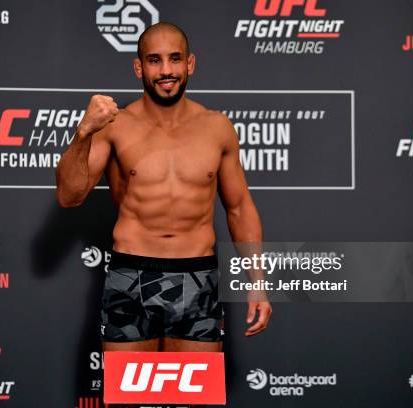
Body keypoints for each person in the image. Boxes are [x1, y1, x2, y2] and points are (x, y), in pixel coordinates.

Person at [56, 22, 271, 354]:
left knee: (192, 401)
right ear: (138, 67)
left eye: (175, 58)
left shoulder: (218, 128)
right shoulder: (115, 126)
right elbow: (69, 196)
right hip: (131, 276)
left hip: (198, 278)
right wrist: (83, 132)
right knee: (125, 401)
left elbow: (239, 207)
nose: (166, 70)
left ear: (190, 64)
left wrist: (257, 282)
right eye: (154, 60)